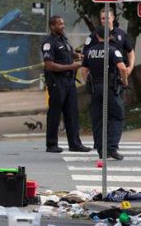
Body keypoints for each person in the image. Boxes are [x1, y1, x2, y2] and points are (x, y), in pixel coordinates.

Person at [42, 15, 91, 153]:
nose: (62, 26)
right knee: (55, 113)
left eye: (63, 23)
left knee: (72, 113)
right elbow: (49, 65)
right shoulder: (49, 43)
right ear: (52, 26)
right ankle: (51, 144)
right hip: (57, 82)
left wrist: (79, 56)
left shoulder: (64, 39)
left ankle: (75, 144)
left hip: (69, 82)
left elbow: (69, 53)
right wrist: (71, 67)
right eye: (59, 24)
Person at [81, 26, 129, 160]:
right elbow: (122, 68)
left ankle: (101, 150)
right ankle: (112, 147)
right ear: (110, 37)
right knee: (117, 116)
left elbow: (84, 70)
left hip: (95, 88)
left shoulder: (90, 51)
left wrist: (88, 82)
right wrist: (124, 82)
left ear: (97, 37)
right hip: (110, 87)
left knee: (98, 119)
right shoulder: (113, 50)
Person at [83, 8, 135, 75]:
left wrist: (130, 67)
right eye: (103, 18)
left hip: (117, 76)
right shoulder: (94, 35)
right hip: (99, 76)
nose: (105, 21)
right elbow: (85, 55)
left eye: (107, 18)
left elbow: (130, 51)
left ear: (113, 18)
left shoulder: (121, 34)